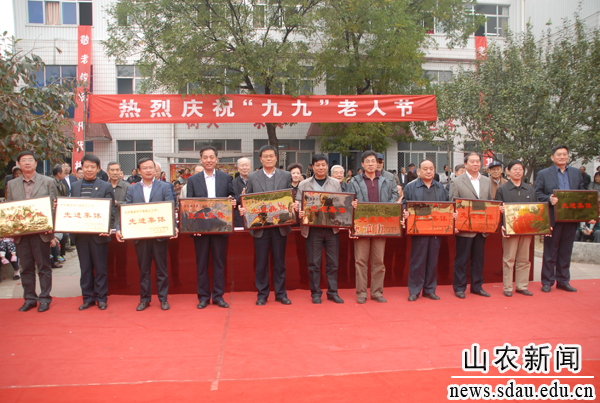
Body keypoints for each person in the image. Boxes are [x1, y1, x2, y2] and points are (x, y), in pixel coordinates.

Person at [117, 157, 177, 311]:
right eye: (145, 168)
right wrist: (119, 228)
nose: (149, 170)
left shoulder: (165, 187)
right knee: (143, 269)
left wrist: (174, 226)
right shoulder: (133, 189)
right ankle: (144, 299)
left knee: (161, 269)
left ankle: (163, 299)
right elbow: (126, 210)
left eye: (151, 167)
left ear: (155, 169)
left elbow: (170, 208)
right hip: (141, 236)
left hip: (159, 235)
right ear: (139, 171)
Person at [535, 145, 595, 293]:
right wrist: (549, 199)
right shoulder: (543, 173)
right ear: (552, 157)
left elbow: (581, 194)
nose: (562, 157)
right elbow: (537, 193)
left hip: (570, 218)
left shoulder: (576, 173)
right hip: (553, 218)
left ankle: (563, 281)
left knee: (566, 251)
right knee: (550, 251)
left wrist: (589, 215)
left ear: (568, 156)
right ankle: (547, 281)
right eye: (559, 154)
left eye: (565, 154)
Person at [242, 145, 295, 305]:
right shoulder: (252, 177)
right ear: (260, 159)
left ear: (276, 158)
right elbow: (248, 199)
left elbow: (289, 197)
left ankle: (281, 294)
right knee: (261, 263)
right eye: (265, 156)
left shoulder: (286, 175)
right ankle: (262, 294)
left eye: (271, 156)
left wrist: (293, 205)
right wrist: (244, 208)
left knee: (279, 262)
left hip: (280, 226)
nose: (269, 158)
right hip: (261, 227)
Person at [6, 151, 58, 312]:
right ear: (18, 164)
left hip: (41, 232)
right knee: (26, 267)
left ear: (36, 163)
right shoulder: (12, 184)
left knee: (43, 266)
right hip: (22, 234)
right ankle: (29, 298)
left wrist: (52, 232)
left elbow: (54, 208)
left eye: (30, 160)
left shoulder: (48, 182)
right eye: (24, 160)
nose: (27, 163)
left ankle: (45, 298)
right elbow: (9, 208)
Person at [187, 146, 235, 309]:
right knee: (201, 264)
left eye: (211, 157)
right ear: (201, 160)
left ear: (216, 159)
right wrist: (193, 228)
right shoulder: (193, 180)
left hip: (220, 226)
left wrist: (233, 201)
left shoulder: (226, 178)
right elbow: (190, 205)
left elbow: (232, 197)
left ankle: (218, 296)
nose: (209, 160)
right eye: (205, 157)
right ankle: (203, 297)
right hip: (201, 228)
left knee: (219, 263)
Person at [348, 151, 398, 304]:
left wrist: (386, 208)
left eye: (373, 161)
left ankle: (377, 292)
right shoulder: (354, 181)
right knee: (360, 261)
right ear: (362, 164)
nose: (371, 164)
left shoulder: (386, 181)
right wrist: (352, 204)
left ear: (378, 163)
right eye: (367, 161)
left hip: (380, 226)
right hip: (362, 225)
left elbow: (394, 196)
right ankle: (361, 293)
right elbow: (348, 200)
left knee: (379, 261)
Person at [296, 154, 345, 304]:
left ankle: (333, 292)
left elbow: (340, 203)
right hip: (312, 229)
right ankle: (315, 293)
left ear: (327, 166)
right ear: (313, 166)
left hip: (331, 228)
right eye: (317, 165)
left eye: (323, 165)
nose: (321, 167)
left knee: (333, 263)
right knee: (313, 263)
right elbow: (298, 203)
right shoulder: (304, 184)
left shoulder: (335, 183)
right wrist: (300, 210)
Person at [70, 154, 115, 311]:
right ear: (82, 168)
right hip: (81, 235)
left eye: (92, 167)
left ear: (98, 169)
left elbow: (111, 210)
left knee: (100, 268)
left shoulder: (106, 186)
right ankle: (87, 298)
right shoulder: (75, 186)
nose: (89, 169)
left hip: (99, 234)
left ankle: (101, 298)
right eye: (86, 166)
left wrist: (108, 227)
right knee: (85, 268)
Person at [449, 152, 493, 299]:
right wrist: (455, 224)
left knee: (478, 259)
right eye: (472, 161)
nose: (475, 164)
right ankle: (459, 288)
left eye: (478, 161)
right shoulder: (457, 181)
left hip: (481, 227)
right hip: (464, 227)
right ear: (466, 164)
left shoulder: (486, 181)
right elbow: (453, 204)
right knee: (462, 259)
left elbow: (490, 202)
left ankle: (477, 286)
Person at [403, 159, 448, 301]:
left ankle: (429, 289)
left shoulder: (440, 187)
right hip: (418, 230)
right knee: (418, 260)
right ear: (418, 171)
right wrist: (405, 212)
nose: (429, 171)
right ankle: (414, 290)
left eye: (431, 169)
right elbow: (404, 204)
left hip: (436, 230)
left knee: (432, 260)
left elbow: (447, 206)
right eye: (425, 169)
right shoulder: (411, 187)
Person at [495, 160, 537, 297]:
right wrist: (502, 225)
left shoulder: (530, 190)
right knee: (509, 259)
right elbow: (497, 210)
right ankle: (507, 287)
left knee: (524, 259)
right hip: (510, 229)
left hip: (526, 229)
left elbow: (536, 209)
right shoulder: (502, 189)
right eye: (515, 169)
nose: (518, 172)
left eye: (520, 169)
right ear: (508, 171)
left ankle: (521, 286)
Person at [107, 161, 130, 228]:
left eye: (117, 170)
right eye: (112, 170)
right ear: (107, 171)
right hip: (106, 224)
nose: (115, 173)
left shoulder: (127, 186)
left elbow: (131, 204)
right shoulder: (103, 186)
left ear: (120, 171)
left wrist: (118, 204)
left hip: (123, 223)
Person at [232, 158, 250, 228]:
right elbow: (232, 199)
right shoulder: (233, 183)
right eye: (242, 165)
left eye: (246, 165)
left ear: (250, 167)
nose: (244, 168)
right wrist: (242, 197)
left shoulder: (256, 181)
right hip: (239, 218)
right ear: (238, 168)